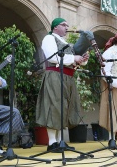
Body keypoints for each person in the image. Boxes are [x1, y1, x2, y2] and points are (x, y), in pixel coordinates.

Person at [36, 18, 89, 152]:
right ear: (55, 27)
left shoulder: (66, 43)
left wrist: (82, 60)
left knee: (65, 107)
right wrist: (74, 58)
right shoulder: (49, 38)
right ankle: (52, 142)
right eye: (64, 25)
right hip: (54, 75)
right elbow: (53, 57)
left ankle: (60, 141)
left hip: (68, 77)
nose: (67, 27)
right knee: (54, 106)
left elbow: (73, 61)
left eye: (67, 25)